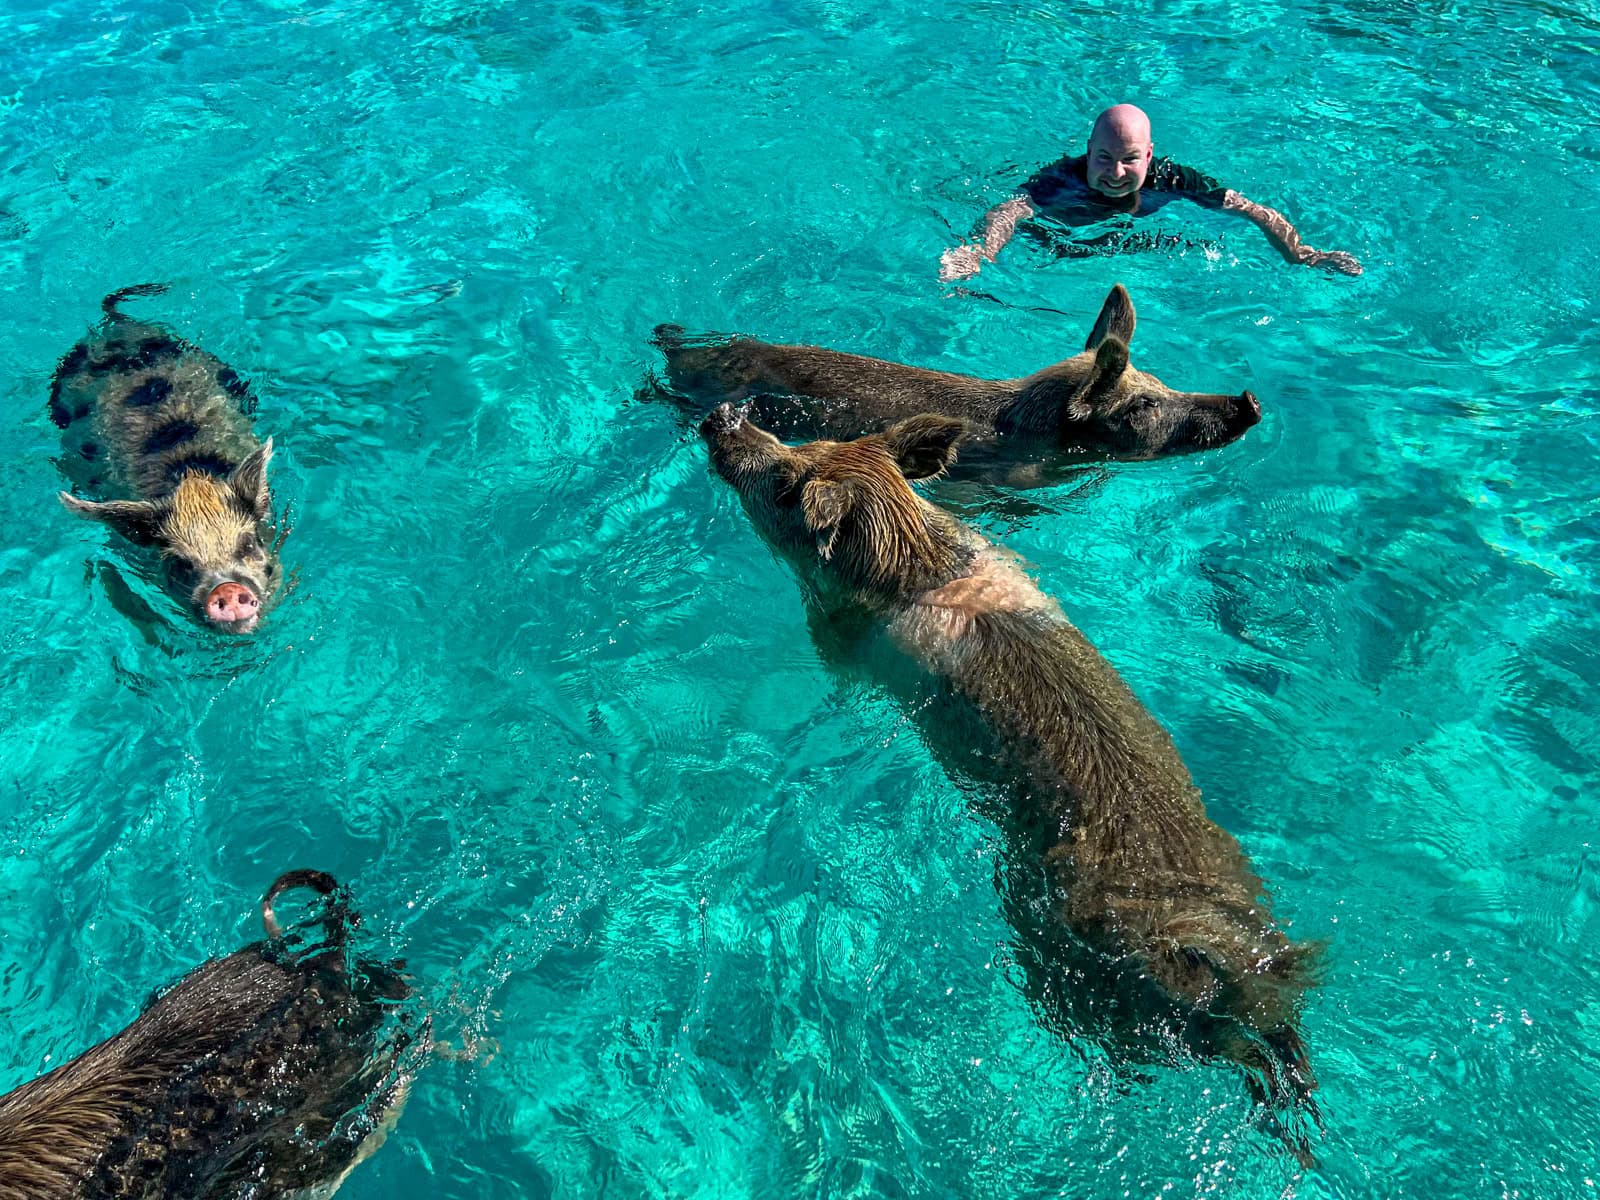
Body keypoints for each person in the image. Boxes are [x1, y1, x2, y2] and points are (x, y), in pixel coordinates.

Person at [940, 104, 1362, 280]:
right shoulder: (1062, 179)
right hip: (1059, 242)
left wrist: (1304, 254)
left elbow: (1253, 209)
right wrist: (979, 252)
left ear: (1149, 155)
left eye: (1130, 159)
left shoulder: (1173, 178)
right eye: (1104, 158)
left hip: (1126, 242)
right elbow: (1008, 212)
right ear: (1088, 152)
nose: (1116, 172)